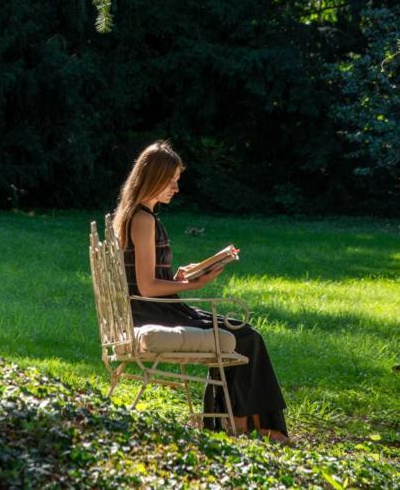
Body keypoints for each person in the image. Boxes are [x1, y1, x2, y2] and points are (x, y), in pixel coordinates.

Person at [112, 140, 288, 441]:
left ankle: (242, 422)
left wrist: (180, 275)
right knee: (246, 336)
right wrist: (193, 284)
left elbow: (150, 278)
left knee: (241, 334)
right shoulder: (142, 220)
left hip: (157, 307)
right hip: (152, 311)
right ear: (152, 179)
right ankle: (251, 425)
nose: (176, 188)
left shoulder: (141, 216)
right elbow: (146, 286)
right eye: (171, 181)